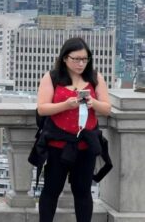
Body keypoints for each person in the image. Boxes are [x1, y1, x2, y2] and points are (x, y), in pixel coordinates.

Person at [34, 37, 112, 222]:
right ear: (65, 58)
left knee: (83, 191)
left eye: (84, 59)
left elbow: (107, 109)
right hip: (57, 144)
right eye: (76, 59)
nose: (80, 63)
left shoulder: (94, 77)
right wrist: (66, 105)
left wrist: (93, 103)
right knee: (51, 189)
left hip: (85, 144)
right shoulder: (52, 77)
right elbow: (42, 108)